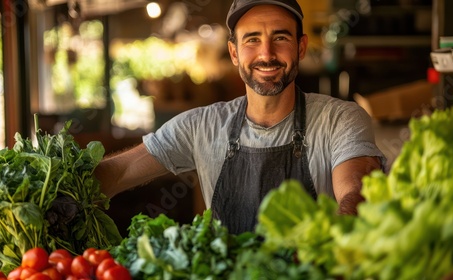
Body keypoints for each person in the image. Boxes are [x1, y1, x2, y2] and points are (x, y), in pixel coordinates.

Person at [95, 0, 385, 234]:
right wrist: (60, 188)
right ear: (234, 52)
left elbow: (357, 192)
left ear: (301, 47)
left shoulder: (340, 119)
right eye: (252, 40)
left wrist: (323, 252)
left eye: (280, 37)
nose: (266, 54)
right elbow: (118, 172)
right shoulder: (202, 126)